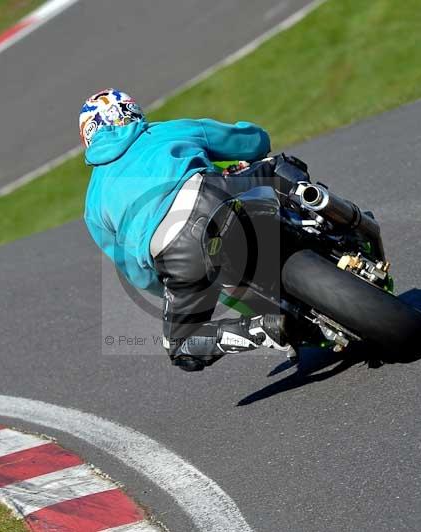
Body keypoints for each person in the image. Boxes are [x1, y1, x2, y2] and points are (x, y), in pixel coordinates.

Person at [82, 89, 311, 372]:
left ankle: (257, 329)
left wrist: (179, 285)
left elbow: (135, 272)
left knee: (181, 346)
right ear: (132, 111)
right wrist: (259, 143)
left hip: (174, 252)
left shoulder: (92, 204)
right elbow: (249, 141)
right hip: (216, 196)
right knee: (279, 168)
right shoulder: (163, 131)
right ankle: (325, 213)